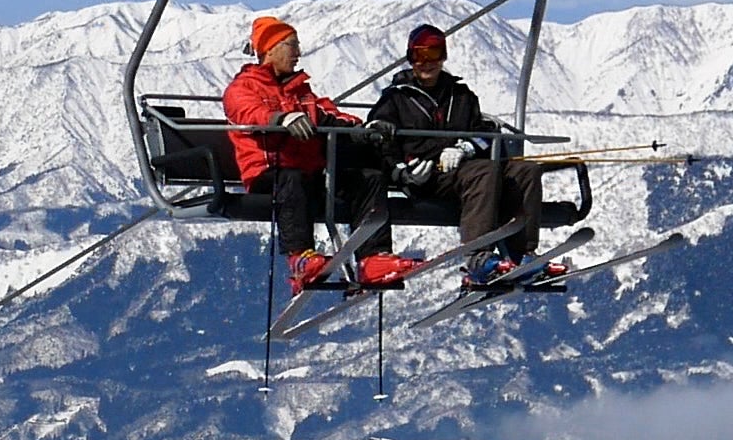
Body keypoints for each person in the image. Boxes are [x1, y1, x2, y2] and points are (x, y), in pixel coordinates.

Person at [222, 15, 421, 294]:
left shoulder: (300, 91)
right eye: (292, 45)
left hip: (310, 172)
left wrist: (363, 128)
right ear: (271, 49)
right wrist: (280, 119)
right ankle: (300, 257)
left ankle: (373, 258)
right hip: (268, 172)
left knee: (367, 178)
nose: (298, 53)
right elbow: (247, 113)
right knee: (291, 179)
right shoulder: (244, 88)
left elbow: (328, 115)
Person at [366, 22, 565, 289]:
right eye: (419, 55)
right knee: (486, 171)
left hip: (464, 170)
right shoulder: (396, 100)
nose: (426, 63)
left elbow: (485, 131)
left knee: (525, 170)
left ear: (444, 57)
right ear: (410, 59)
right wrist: (401, 171)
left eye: (433, 54)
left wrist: (466, 147)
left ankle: (523, 253)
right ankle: (478, 257)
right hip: (427, 176)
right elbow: (379, 138)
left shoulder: (460, 95)